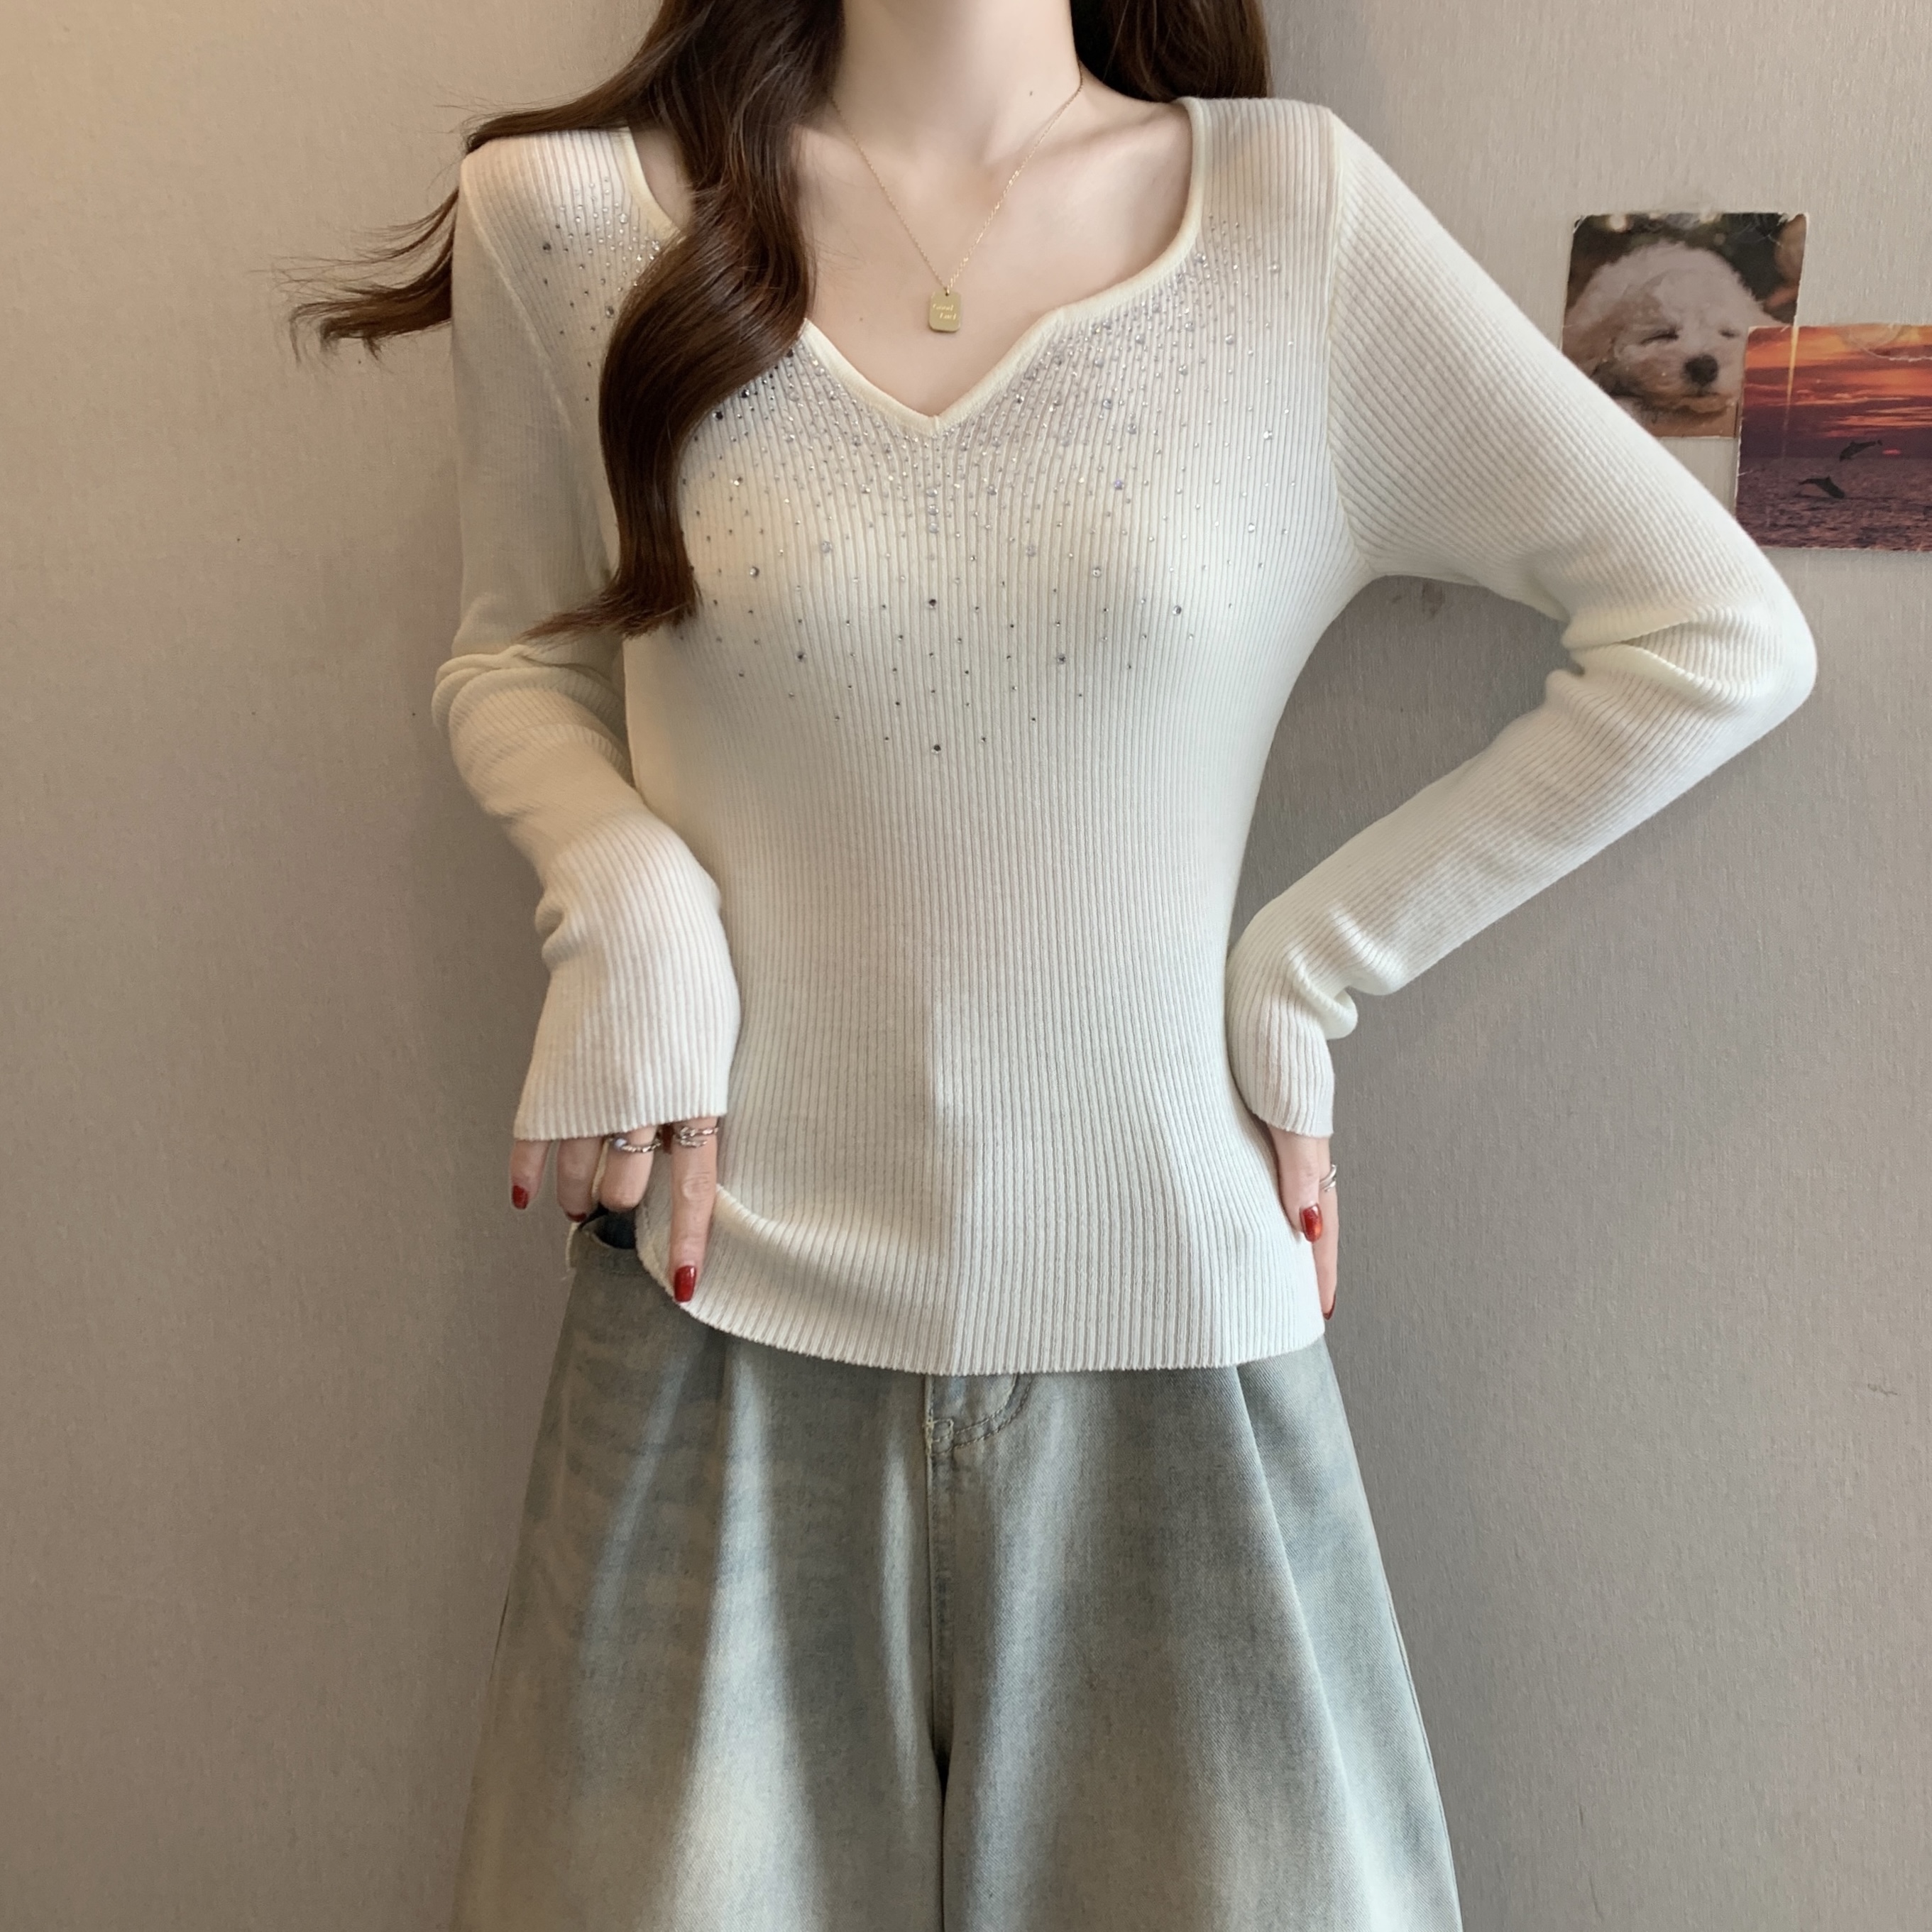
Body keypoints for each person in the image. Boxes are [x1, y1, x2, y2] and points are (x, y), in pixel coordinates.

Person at [296, 0, 1816, 1924]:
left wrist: (1306, 972)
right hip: (711, 1307)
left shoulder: (1292, 221)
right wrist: (624, 893)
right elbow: (517, 652)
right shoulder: (572, 218)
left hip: (1175, 1332)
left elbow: (1711, 637)